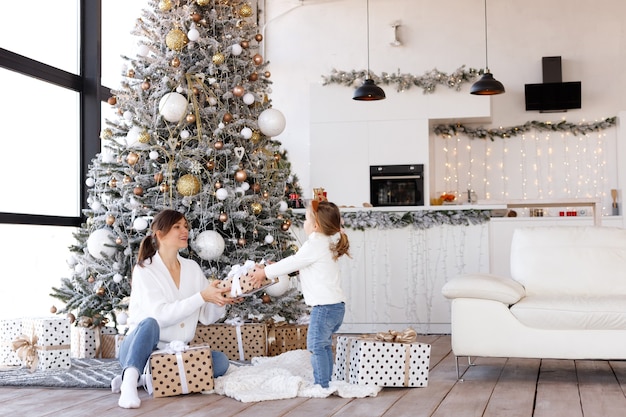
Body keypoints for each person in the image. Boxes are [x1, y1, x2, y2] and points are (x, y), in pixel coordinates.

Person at [113, 209, 238, 409]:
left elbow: (206, 316)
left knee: (220, 361)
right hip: (138, 347)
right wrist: (201, 296)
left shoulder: (192, 268)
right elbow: (160, 316)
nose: (185, 231)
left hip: (171, 352)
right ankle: (129, 382)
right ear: (160, 234)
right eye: (177, 227)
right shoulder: (145, 269)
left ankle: (151, 376)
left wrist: (219, 299)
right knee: (150, 323)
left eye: (186, 227)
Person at [247, 200, 350, 388]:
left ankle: (321, 385)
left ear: (316, 225)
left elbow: (294, 261)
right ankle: (326, 380)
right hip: (336, 307)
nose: (303, 223)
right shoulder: (327, 241)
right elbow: (304, 266)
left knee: (316, 346)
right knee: (323, 345)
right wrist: (276, 269)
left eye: (305, 219)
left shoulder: (315, 244)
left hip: (324, 307)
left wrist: (265, 273)